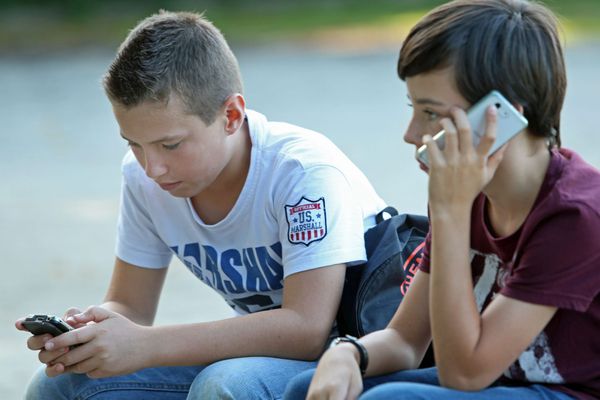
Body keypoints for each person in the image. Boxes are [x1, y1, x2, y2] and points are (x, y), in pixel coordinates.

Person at [15, 10, 387, 400]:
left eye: (171, 145)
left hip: (353, 360)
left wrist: (146, 345)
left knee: (224, 385)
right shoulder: (145, 177)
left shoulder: (301, 171)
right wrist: (92, 334)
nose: (153, 168)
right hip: (261, 357)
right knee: (59, 387)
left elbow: (307, 330)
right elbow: (131, 305)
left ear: (231, 115)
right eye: (133, 144)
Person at [283, 0, 600, 399]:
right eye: (413, 109)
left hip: (570, 393)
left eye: (431, 114)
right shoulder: (465, 196)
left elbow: (464, 375)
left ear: (499, 118)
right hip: (501, 381)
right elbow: (405, 340)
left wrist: (450, 213)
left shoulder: (575, 217)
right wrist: (349, 353)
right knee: (304, 387)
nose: (411, 133)